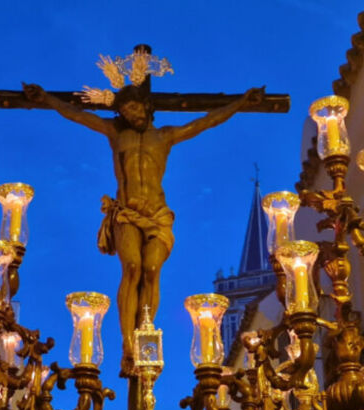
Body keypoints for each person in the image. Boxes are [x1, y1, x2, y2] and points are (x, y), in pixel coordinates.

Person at [23, 82, 263, 374]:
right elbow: (79, 115)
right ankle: (128, 346)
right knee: (133, 267)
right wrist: (47, 97)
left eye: (134, 107)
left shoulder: (165, 137)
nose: (130, 114)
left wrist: (240, 102)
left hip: (157, 215)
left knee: (151, 270)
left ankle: (145, 331)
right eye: (124, 110)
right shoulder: (117, 135)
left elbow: (206, 121)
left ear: (146, 107)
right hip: (125, 213)